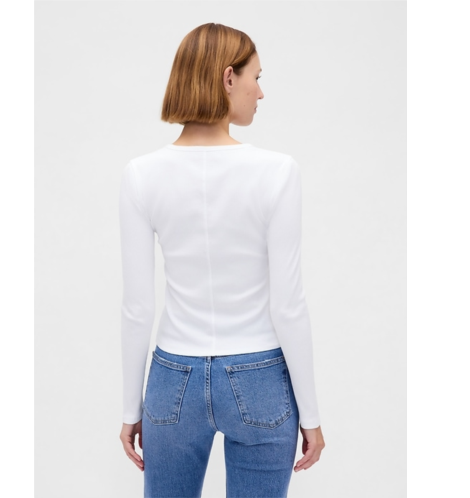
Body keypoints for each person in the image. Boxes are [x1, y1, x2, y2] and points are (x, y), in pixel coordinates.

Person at [118, 22, 325, 498]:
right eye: (256, 77)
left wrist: (131, 409)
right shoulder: (277, 172)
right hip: (260, 376)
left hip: (173, 379)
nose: (261, 92)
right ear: (229, 78)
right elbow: (289, 305)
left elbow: (137, 308)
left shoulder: (141, 175)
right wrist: (311, 415)